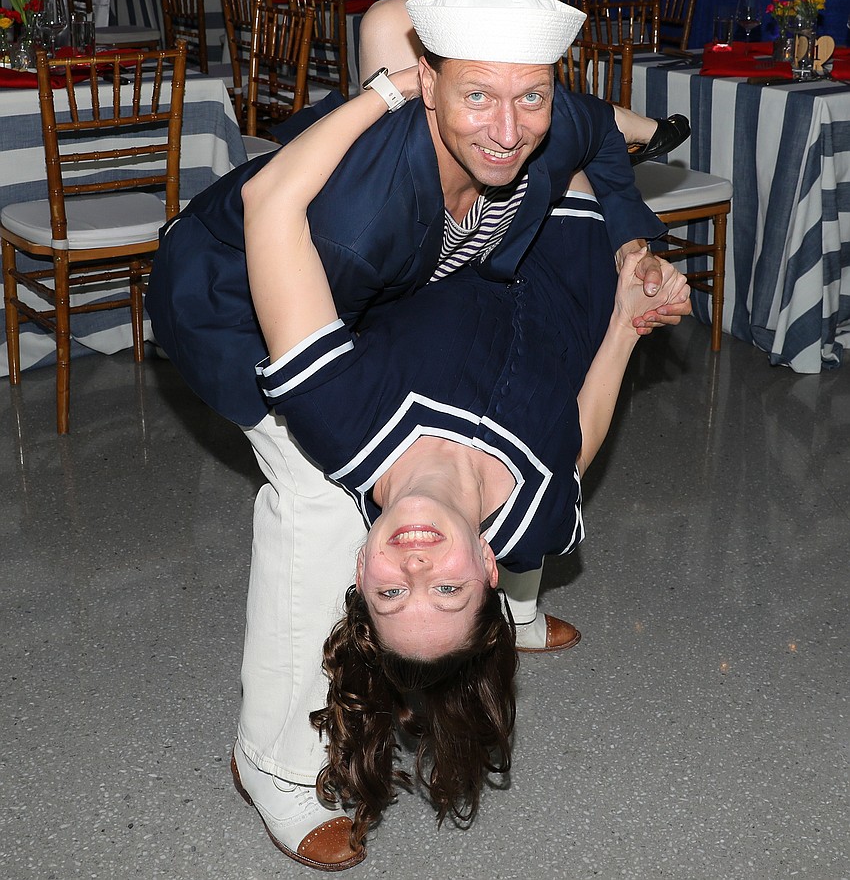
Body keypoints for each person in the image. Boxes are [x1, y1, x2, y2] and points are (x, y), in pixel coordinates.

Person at [146, 0, 691, 871]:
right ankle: (273, 762)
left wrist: (627, 202)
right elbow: (285, 211)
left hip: (385, 248)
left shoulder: (516, 126)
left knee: (501, 442)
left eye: (526, 97)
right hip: (254, 290)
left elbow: (519, 87)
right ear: (428, 86)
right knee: (315, 490)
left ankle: (511, 601)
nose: (506, 124)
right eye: (471, 92)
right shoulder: (375, 186)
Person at [237, 60, 689, 853]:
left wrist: (388, 88)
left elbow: (271, 206)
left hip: (498, 215)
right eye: (444, 588)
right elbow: (578, 437)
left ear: (360, 571)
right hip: (576, 252)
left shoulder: (340, 419)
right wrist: (629, 316)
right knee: (554, 116)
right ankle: (614, 127)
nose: (413, 566)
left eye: (388, 592)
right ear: (486, 564)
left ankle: (611, 123)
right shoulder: (534, 519)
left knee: (448, 52)